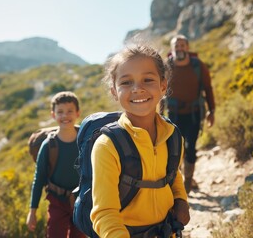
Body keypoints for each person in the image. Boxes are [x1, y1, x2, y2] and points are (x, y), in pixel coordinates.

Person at [90, 44, 190, 237]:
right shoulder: (107, 146)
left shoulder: (171, 135)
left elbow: (172, 173)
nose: (138, 89)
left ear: (163, 85)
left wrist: (181, 199)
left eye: (148, 80)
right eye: (126, 82)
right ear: (114, 90)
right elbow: (104, 214)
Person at [26, 91, 85, 238]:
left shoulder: (85, 141)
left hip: (82, 202)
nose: (65, 116)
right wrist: (32, 212)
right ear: (53, 115)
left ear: (77, 113)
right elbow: (38, 179)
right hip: (57, 202)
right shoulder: (48, 145)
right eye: (60, 112)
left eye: (70, 111)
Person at [167, 34, 215, 194]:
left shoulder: (198, 66)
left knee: (191, 148)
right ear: (172, 49)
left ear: (187, 47)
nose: (179, 48)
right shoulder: (166, 67)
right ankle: (177, 184)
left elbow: (208, 88)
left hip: (194, 114)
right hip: (173, 116)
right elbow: (159, 91)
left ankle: (187, 185)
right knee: (175, 150)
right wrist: (157, 114)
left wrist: (211, 110)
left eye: (182, 45)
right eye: (176, 46)